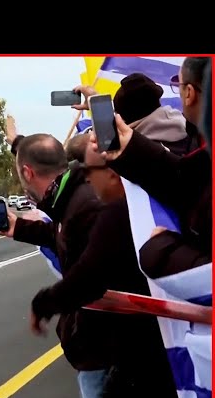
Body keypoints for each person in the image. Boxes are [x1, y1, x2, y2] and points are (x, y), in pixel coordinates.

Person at [29, 139, 179, 398]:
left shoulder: (117, 214)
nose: (86, 179)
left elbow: (87, 277)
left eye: (89, 172)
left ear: (113, 172)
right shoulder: (162, 194)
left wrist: (43, 304)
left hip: (148, 354)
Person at [0, 132, 118, 398]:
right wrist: (21, 228)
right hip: (96, 348)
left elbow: (91, 275)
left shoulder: (85, 204)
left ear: (27, 173)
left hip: (103, 350)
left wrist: (45, 304)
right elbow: (62, 234)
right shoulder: (71, 199)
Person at [89, 56, 211, 278]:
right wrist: (132, 150)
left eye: (179, 85)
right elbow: (188, 182)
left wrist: (161, 250)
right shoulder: (195, 138)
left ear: (190, 93)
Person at [74, 73, 198, 157]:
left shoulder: (136, 155)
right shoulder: (195, 131)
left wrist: (97, 103)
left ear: (123, 119)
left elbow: (109, 148)